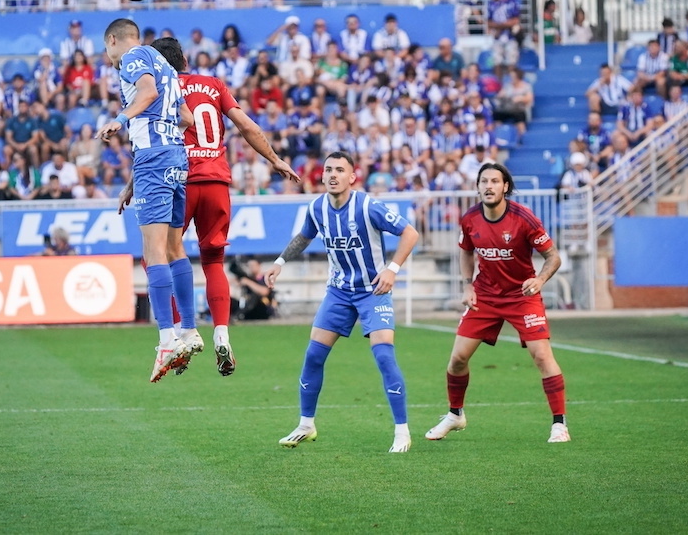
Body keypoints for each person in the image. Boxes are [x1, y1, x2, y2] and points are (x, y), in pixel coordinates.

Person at [126, 37, 299, 374]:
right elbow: (247, 126)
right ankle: (222, 333)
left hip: (178, 178)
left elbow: (154, 142)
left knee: (165, 254)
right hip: (217, 182)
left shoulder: (163, 87)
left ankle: (180, 333)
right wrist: (274, 159)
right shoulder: (214, 85)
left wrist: (133, 184)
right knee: (214, 261)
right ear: (185, 58)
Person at [264, 151, 420, 453]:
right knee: (313, 356)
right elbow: (304, 237)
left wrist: (392, 269)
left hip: (372, 290)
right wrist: (280, 261)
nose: (333, 175)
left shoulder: (368, 207)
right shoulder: (317, 207)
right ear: (321, 176)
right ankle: (306, 424)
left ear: (352, 176)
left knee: (384, 356)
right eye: (328, 170)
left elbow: (409, 233)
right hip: (338, 292)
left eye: (339, 170)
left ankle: (402, 430)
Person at [425, 162, 569, 444]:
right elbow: (465, 251)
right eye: (483, 181)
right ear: (478, 186)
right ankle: (455, 415)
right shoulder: (469, 219)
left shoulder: (524, 218)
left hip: (522, 296)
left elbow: (553, 257)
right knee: (457, 360)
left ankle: (559, 425)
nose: (488, 186)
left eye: (494, 181)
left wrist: (539, 280)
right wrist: (467, 285)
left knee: (542, 356)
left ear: (505, 187)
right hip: (485, 296)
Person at [97, 18, 197, 383]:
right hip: (174, 157)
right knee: (175, 249)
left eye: (107, 50)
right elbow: (186, 118)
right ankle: (189, 329)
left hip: (156, 160)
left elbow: (148, 94)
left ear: (112, 40)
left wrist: (120, 119)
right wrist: (135, 180)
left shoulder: (135, 57)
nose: (108, 58)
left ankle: (167, 339)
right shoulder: (167, 65)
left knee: (153, 253)